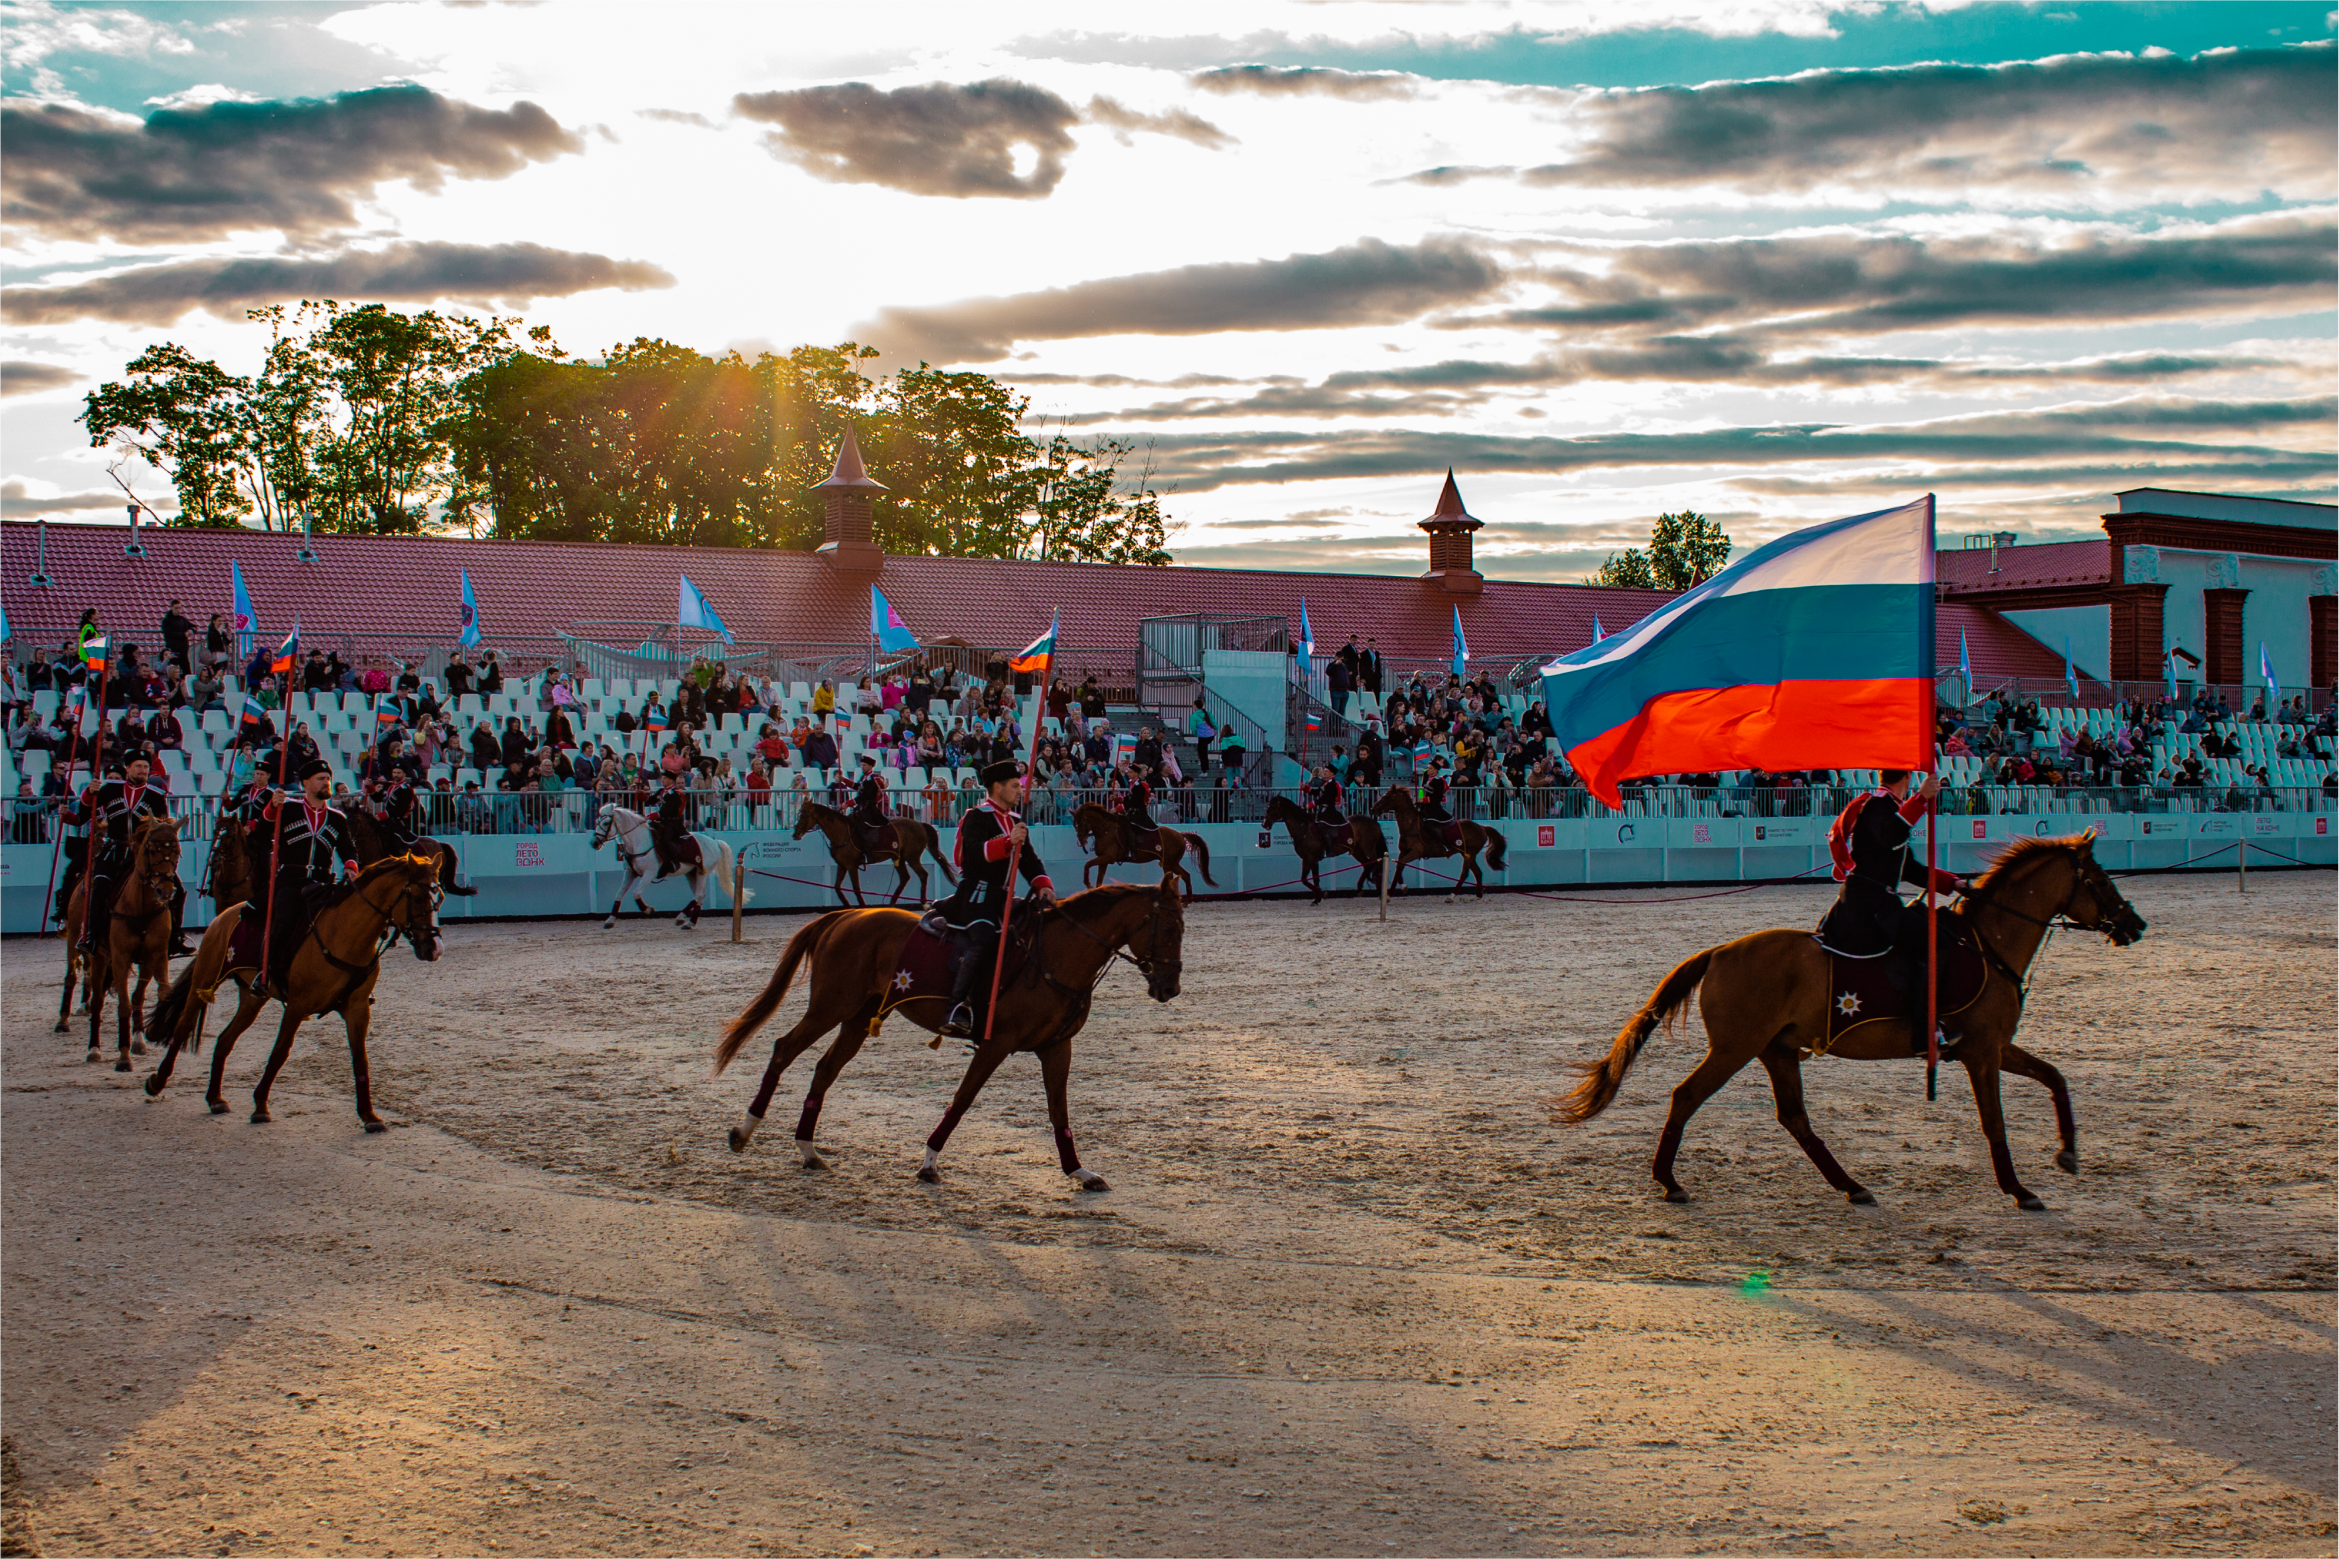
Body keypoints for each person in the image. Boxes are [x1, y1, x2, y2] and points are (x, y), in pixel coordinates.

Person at [1816, 771, 1966, 1041]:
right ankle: (1924, 1032)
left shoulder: (1889, 808)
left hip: (1876, 903)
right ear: (1907, 779)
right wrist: (1921, 799)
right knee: (1938, 943)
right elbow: (1891, 834)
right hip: (1869, 908)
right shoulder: (1878, 805)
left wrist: (1954, 884)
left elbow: (1908, 868)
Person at [936, 759, 1056, 1040]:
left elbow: (1029, 861)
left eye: (1020, 786)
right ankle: (957, 1008)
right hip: (976, 894)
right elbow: (970, 855)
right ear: (997, 787)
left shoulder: (1015, 821)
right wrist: (1007, 843)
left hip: (1003, 897)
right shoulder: (976, 816)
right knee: (985, 938)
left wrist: (1043, 886)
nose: (1019, 791)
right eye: (1014, 786)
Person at [254, 757, 360, 992]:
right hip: (291, 879)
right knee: (284, 917)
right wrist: (272, 807)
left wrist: (350, 867)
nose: (327, 782)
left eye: (328, 779)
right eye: (321, 779)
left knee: (348, 919)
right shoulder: (287, 807)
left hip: (323, 882)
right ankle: (266, 971)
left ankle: (352, 975)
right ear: (306, 783)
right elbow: (261, 832)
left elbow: (348, 849)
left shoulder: (337, 818)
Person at [79, 752, 183, 957]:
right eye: (138, 766)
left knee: (177, 888)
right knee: (99, 884)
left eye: (145, 767)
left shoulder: (155, 795)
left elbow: (162, 827)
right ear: (127, 768)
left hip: (143, 853)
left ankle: (175, 937)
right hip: (115, 849)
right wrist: (89, 793)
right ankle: (92, 936)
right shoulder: (109, 789)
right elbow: (84, 814)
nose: (142, 771)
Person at [648, 769, 701, 877]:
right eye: (662, 778)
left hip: (674, 822)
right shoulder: (661, 791)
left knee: (666, 838)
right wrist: (640, 794)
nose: (662, 780)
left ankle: (673, 861)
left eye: (665, 778)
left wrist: (649, 816)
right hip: (662, 820)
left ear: (671, 780)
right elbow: (650, 801)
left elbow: (667, 811)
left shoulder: (676, 794)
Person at [849, 752, 893, 856]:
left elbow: (864, 796)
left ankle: (867, 851)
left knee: (861, 827)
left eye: (864, 765)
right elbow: (857, 786)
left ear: (870, 766)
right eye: (862, 765)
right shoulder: (864, 777)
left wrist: (848, 803)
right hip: (863, 807)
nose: (862, 767)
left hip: (870, 809)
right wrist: (844, 780)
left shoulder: (874, 778)